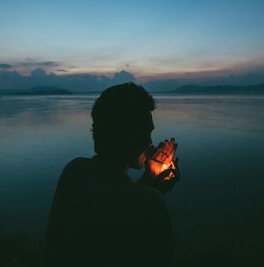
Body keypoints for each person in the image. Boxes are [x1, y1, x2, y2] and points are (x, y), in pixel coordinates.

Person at [45, 82, 180, 267]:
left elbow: (116, 202)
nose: (150, 142)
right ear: (127, 134)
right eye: (146, 133)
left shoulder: (75, 171)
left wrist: (149, 178)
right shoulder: (150, 203)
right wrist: (154, 192)